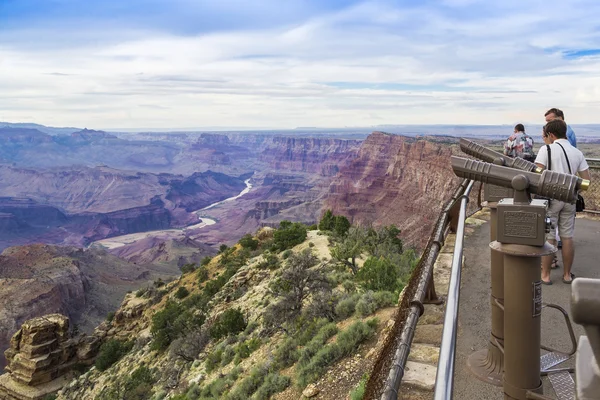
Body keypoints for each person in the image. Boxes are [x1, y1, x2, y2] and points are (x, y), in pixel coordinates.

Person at [534, 119, 590, 285]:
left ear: (551, 134)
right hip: (569, 199)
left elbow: (537, 175)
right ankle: (567, 275)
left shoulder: (546, 149)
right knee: (567, 237)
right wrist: (573, 190)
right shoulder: (576, 153)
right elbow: (586, 179)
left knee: (550, 237)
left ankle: (545, 275)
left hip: (551, 199)